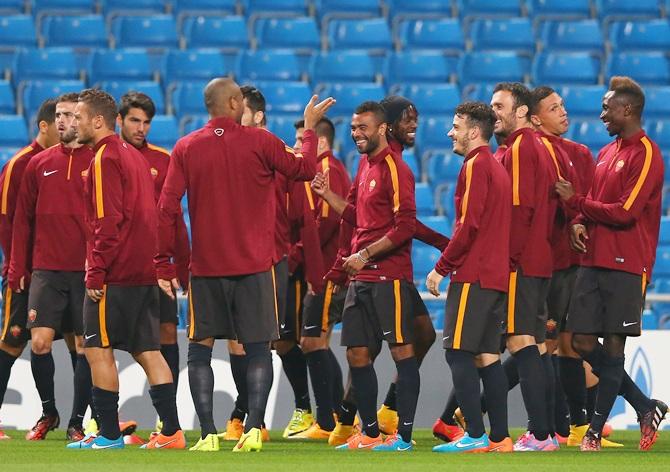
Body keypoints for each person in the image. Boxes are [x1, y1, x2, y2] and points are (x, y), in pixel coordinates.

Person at [155, 78, 334, 452]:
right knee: (257, 350)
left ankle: (206, 434)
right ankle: (253, 428)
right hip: (255, 267)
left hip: (205, 270)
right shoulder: (262, 142)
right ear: (236, 102)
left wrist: (165, 262)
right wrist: (310, 128)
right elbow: (303, 170)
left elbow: (167, 209)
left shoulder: (185, 147)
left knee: (199, 351)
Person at [66, 89, 184, 450]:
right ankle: (171, 433)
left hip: (114, 274)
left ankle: (108, 435)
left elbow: (107, 222)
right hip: (143, 271)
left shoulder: (103, 159)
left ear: (97, 120)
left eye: (79, 118)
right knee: (149, 351)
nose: (74, 124)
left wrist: (96, 272)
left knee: (97, 349)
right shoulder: (132, 156)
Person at [556, 76, 667, 451]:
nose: (602, 114)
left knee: (615, 348)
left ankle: (593, 434)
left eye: (607, 108)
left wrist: (577, 205)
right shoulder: (607, 153)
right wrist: (577, 223)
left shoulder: (647, 153)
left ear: (628, 109)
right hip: (592, 259)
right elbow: (591, 202)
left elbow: (625, 213)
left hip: (625, 263)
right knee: (581, 340)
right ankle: (644, 405)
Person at [311, 101, 419, 452]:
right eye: (354, 128)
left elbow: (405, 227)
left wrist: (365, 254)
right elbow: (360, 217)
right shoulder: (365, 165)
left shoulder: (397, 168)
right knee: (357, 354)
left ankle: (402, 436)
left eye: (364, 127)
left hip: (389, 277)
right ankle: (370, 432)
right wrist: (327, 194)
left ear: (383, 129)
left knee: (403, 351)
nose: (357, 133)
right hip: (361, 279)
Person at [425, 101, 512, 453]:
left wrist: (441, 267)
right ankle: (500, 438)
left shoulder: (476, 165)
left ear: (474, 132)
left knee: (457, 353)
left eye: (456, 126)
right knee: (487, 356)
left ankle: (474, 434)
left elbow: (469, 225)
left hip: (474, 274)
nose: (450, 132)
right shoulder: (496, 166)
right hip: (494, 276)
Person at [9, 93, 94, 442]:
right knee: (40, 342)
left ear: (84, 120)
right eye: (58, 115)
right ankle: (49, 411)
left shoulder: (97, 161)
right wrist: (16, 266)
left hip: (85, 271)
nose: (62, 121)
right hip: (46, 269)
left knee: (83, 348)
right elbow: (21, 222)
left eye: (70, 115)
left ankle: (77, 421)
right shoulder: (38, 164)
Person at [491, 82, 558, 451]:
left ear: (520, 112)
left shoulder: (519, 148)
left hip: (521, 261)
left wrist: (508, 259)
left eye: (499, 106)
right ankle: (546, 430)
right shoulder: (534, 146)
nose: (493, 112)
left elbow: (520, 208)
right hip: (538, 260)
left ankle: (541, 435)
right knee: (537, 345)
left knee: (521, 342)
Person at [117, 91, 190, 401]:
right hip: (117, 269)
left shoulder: (163, 159)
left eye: (146, 122)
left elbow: (173, 218)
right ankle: (93, 419)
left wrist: (181, 269)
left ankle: (167, 420)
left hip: (157, 269)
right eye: (135, 120)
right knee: (97, 343)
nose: (141, 128)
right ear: (119, 120)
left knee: (165, 335)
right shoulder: (105, 157)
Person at [0, 99, 60, 440]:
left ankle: (68, 417)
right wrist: (14, 266)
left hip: (55, 272)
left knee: (78, 344)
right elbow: (8, 221)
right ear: (44, 126)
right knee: (11, 342)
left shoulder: (61, 162)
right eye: (60, 122)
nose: (66, 128)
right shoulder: (19, 165)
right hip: (25, 274)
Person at [291, 117, 350, 440]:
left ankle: (329, 419)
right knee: (317, 342)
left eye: (304, 139)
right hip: (325, 268)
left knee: (314, 341)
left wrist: (301, 255)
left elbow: (328, 221)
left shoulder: (326, 169)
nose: (300, 146)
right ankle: (335, 416)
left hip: (327, 269)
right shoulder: (328, 167)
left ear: (322, 142)